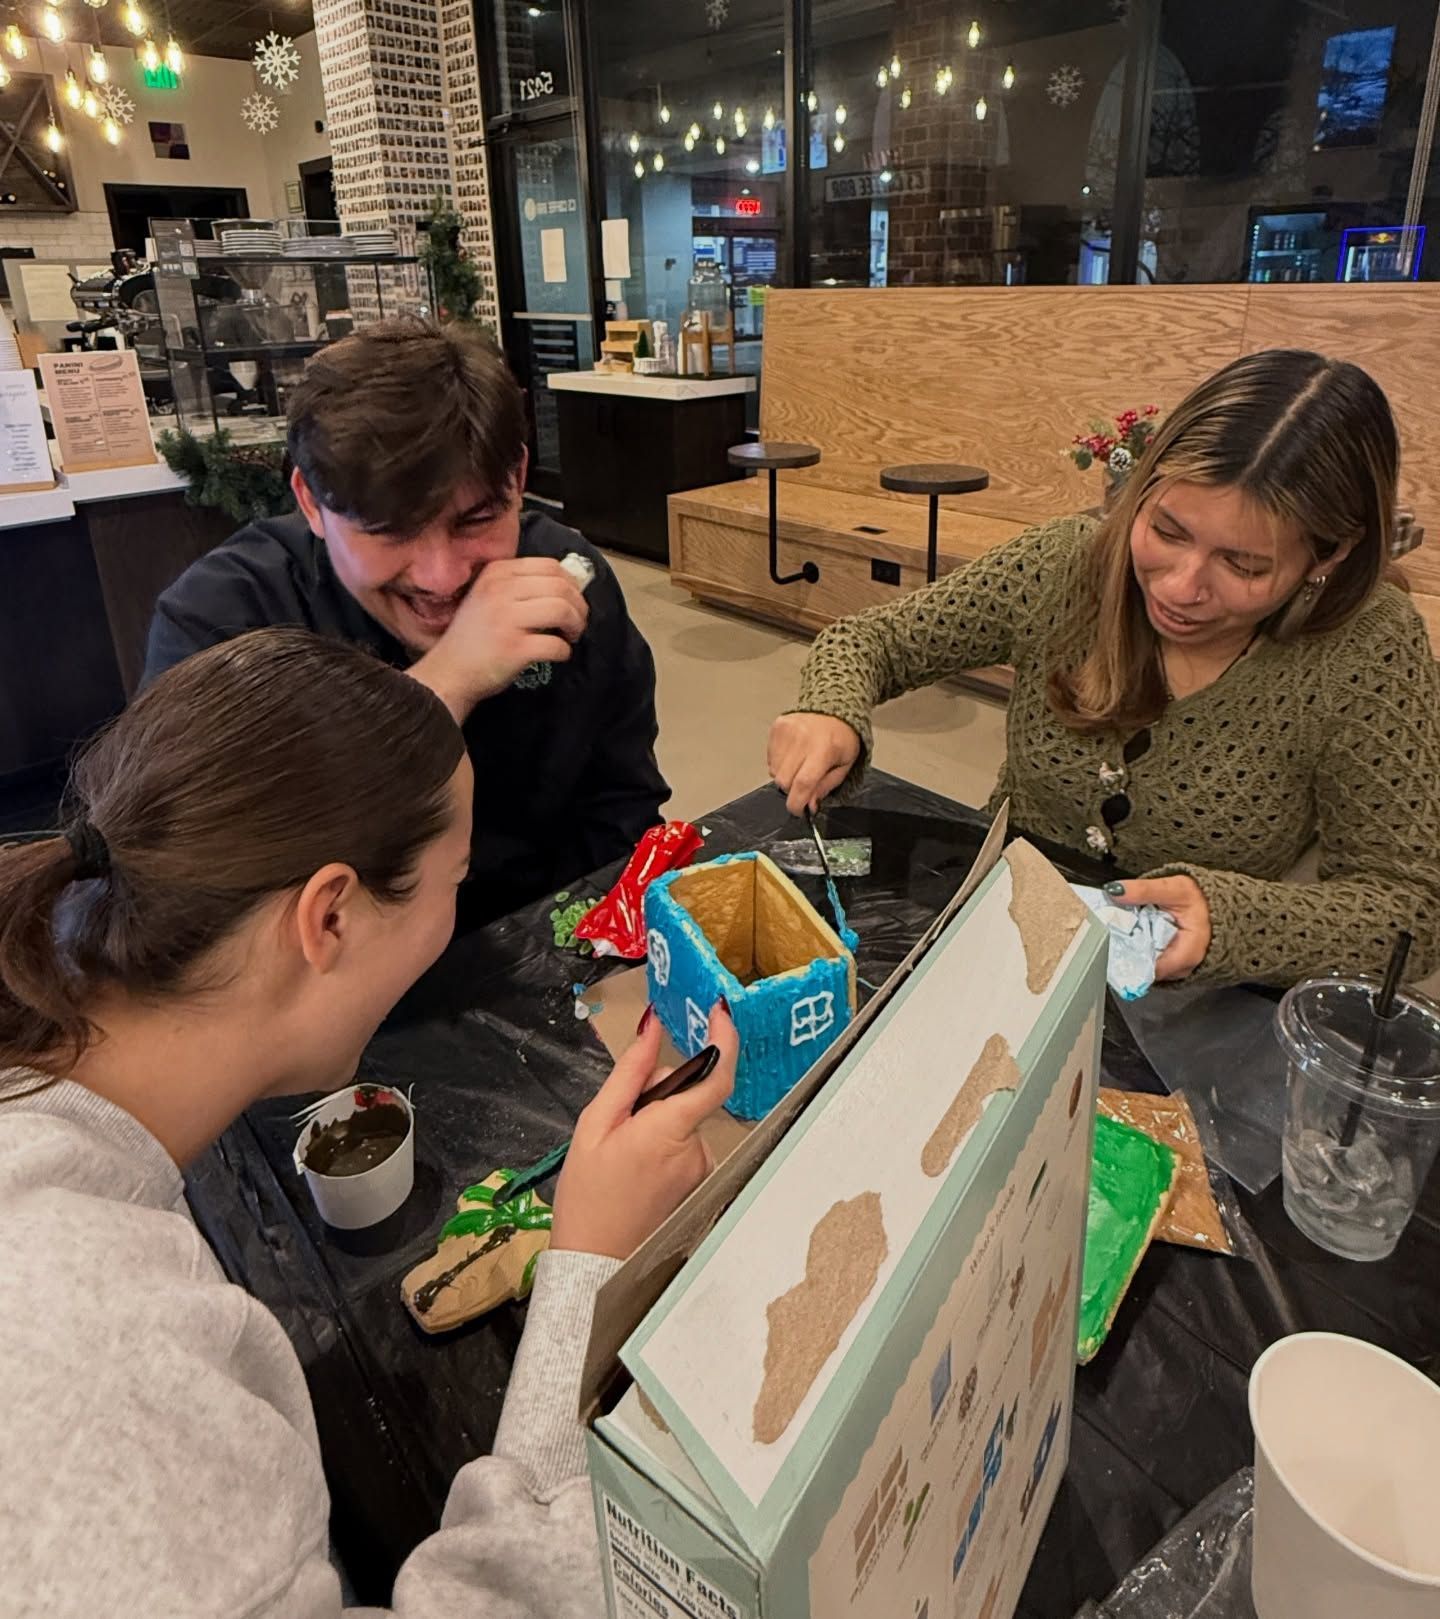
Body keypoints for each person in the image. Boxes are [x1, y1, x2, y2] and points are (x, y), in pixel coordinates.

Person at [0, 628, 736, 1617]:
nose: (453, 912)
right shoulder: (117, 1379)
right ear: (330, 917)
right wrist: (586, 1276)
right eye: (453, 880)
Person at [769, 349, 1440, 988]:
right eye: (1168, 531)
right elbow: (874, 640)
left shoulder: (1367, 649)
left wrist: (1235, 921)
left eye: (1243, 565)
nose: (1180, 587)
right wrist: (830, 708)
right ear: (1142, 489)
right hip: (995, 919)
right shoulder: (1065, 564)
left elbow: (1409, 904)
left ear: (1327, 556)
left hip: (1183, 996)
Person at [143, 318, 669, 929]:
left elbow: (622, 810)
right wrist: (443, 685)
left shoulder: (570, 580)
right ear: (311, 502)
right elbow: (192, 882)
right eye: (389, 529)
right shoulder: (223, 619)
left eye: (476, 520)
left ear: (518, 481)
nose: (441, 577)